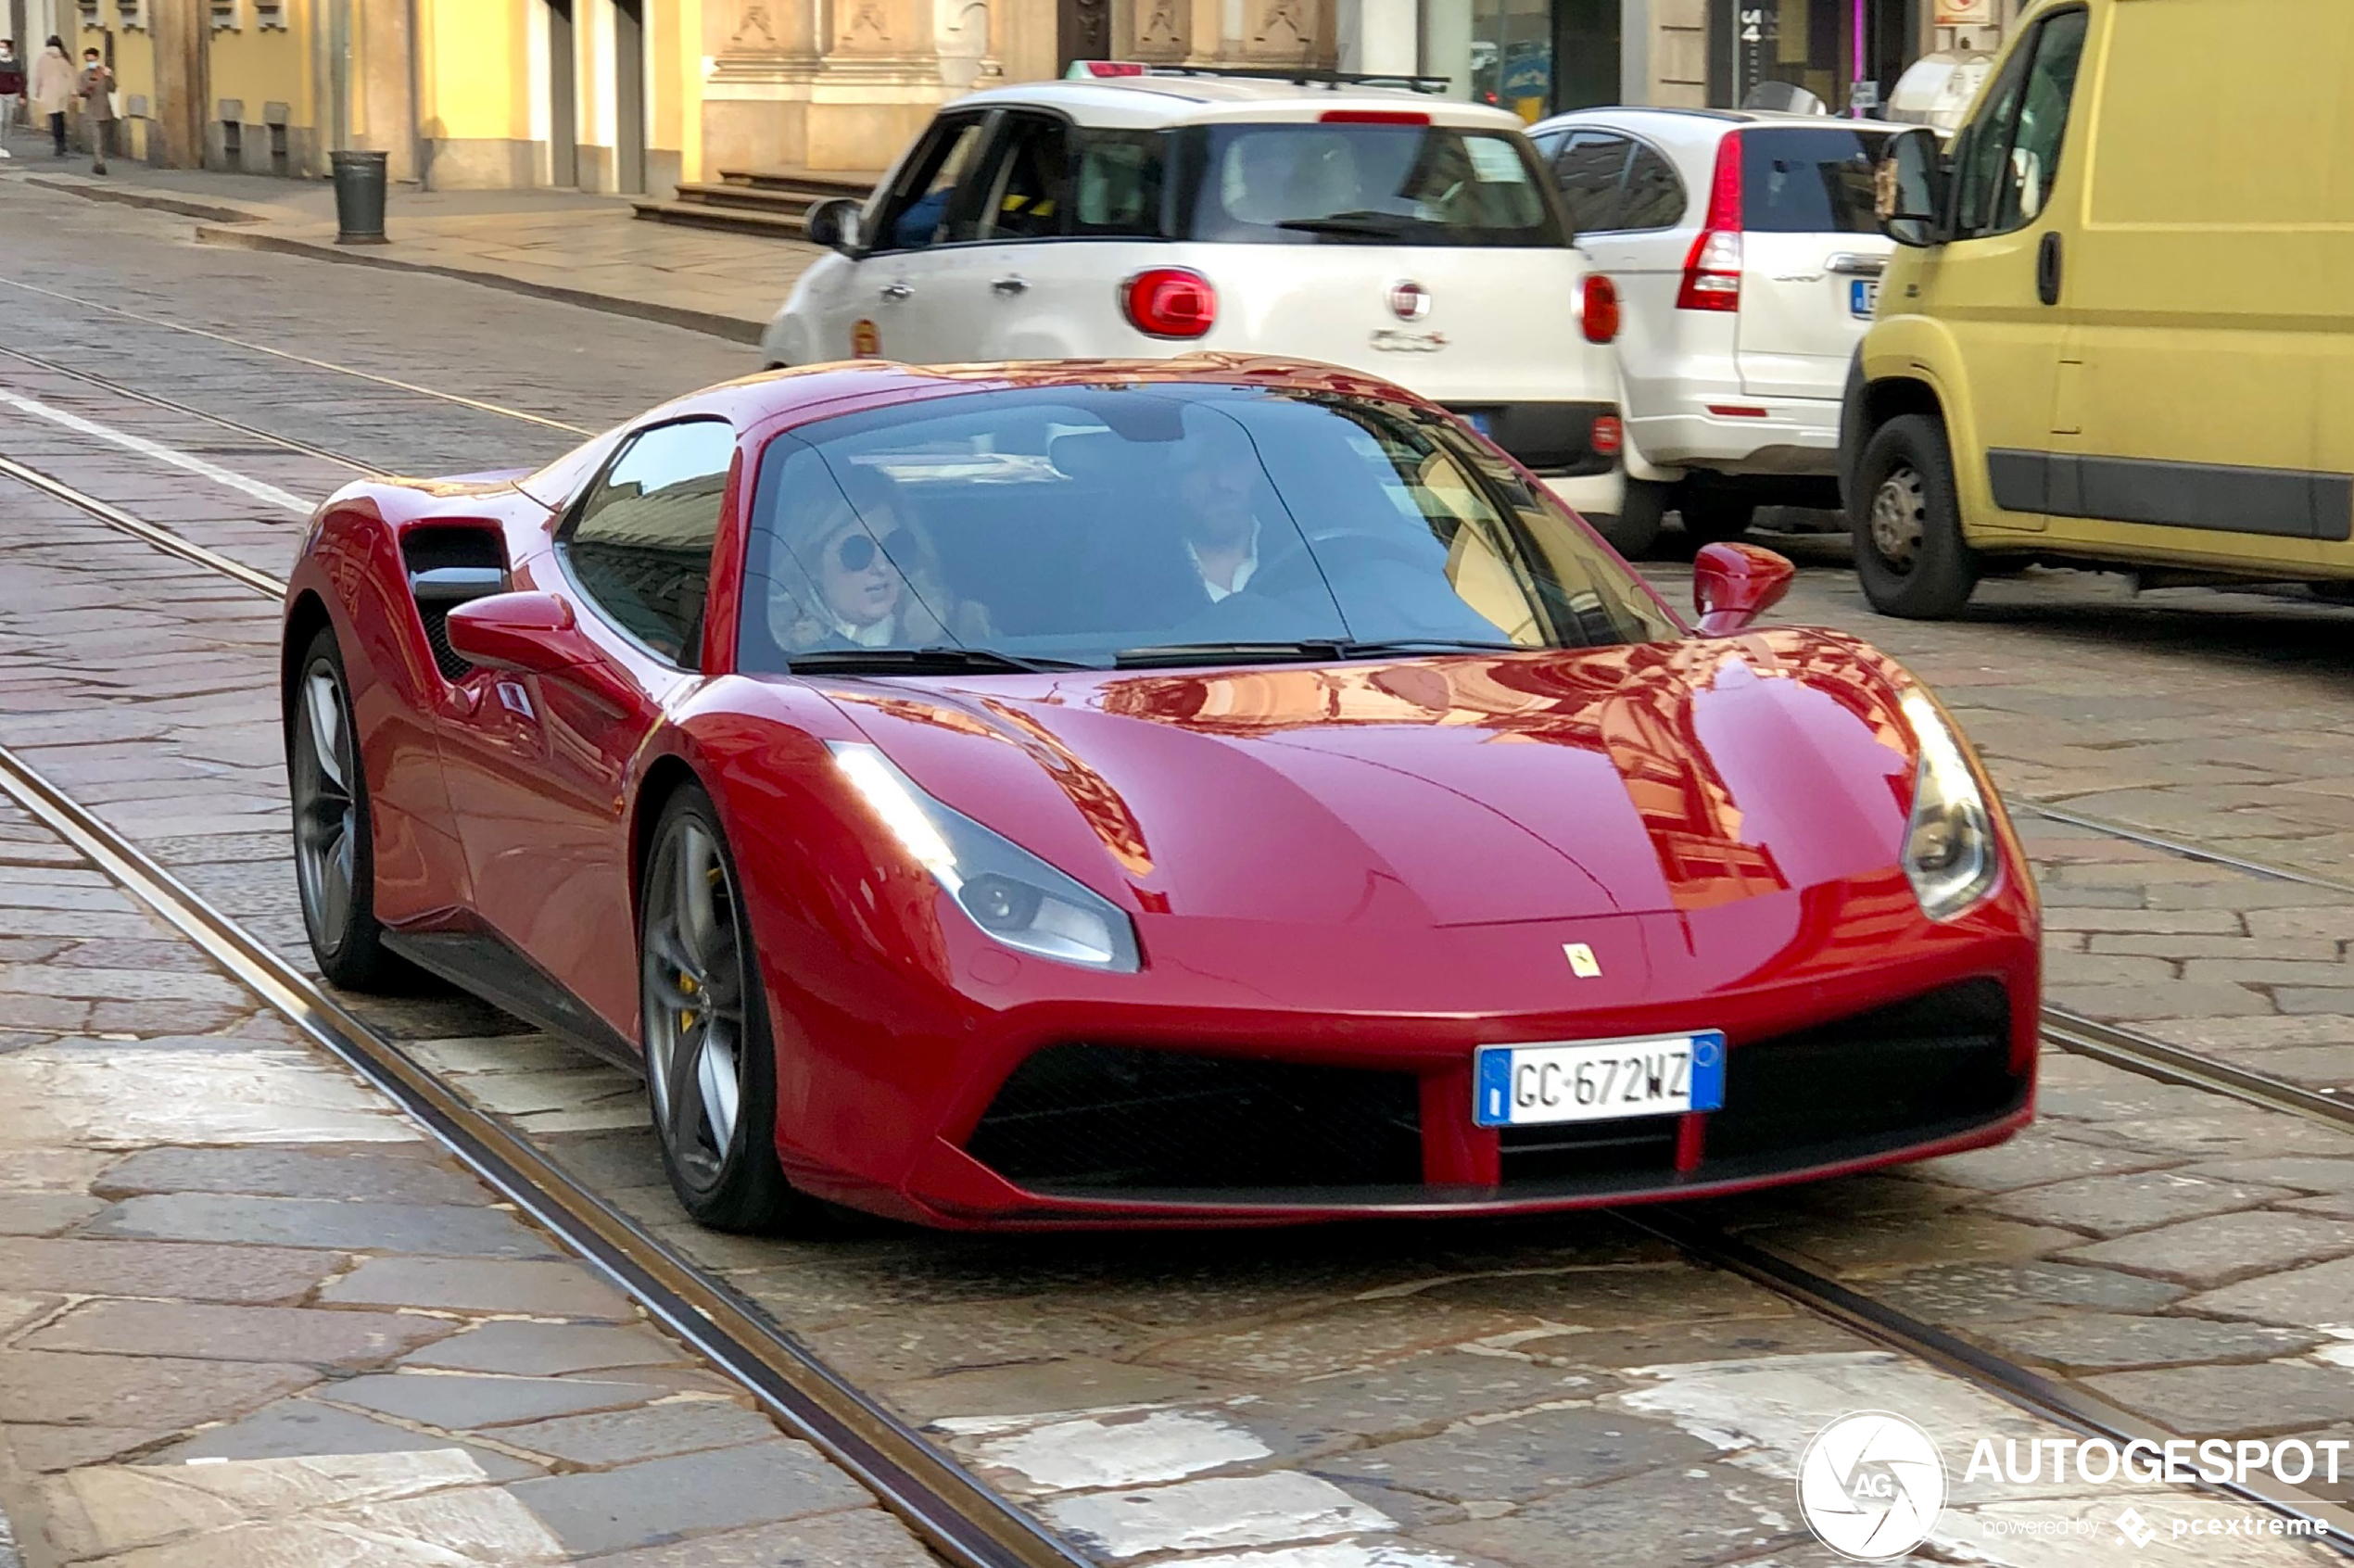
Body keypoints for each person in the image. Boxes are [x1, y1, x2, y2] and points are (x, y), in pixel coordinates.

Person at [767, 471, 989, 653]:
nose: (882, 566)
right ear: (811, 563)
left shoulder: (958, 629)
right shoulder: (773, 643)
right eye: (857, 552)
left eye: (896, 546)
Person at [31, 37, 74, 160]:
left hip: (50, 91)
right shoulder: (64, 57)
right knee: (61, 116)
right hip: (63, 91)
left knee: (54, 118)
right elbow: (70, 75)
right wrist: (73, 91)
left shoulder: (43, 59)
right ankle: (63, 142)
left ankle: (58, 144)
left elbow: (38, 76)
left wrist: (38, 91)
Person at [76, 45, 115, 175]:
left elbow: (112, 89)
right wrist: (88, 88)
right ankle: (99, 163)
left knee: (103, 138)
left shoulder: (104, 73)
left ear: (97, 58)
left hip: (105, 108)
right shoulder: (83, 75)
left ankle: (100, 158)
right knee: (96, 137)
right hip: (92, 109)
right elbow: (81, 92)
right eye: (88, 60)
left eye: (92, 59)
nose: (90, 62)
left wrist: (109, 77)